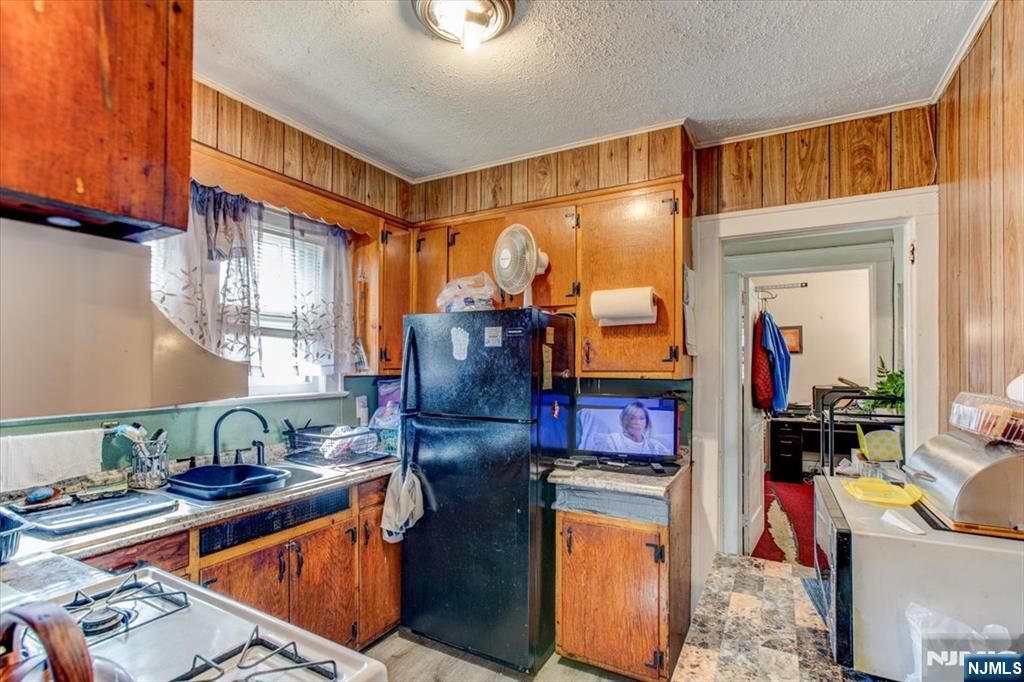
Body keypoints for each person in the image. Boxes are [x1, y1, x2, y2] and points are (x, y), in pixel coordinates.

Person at [602, 401, 671, 455]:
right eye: (632, 418)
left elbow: (670, 457)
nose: (637, 422)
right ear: (624, 420)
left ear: (646, 422)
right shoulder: (613, 440)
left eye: (641, 418)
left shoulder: (654, 445)